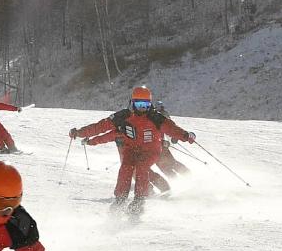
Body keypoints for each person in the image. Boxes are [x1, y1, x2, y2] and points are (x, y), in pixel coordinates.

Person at [69, 85, 197, 211]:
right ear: (133, 103)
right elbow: (100, 127)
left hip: (151, 150)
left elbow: (172, 128)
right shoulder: (123, 117)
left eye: (146, 105)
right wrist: (79, 133)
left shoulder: (155, 117)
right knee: (125, 168)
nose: (143, 109)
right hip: (131, 150)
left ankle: (139, 200)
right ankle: (120, 198)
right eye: (140, 105)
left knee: (142, 167)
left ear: (150, 104)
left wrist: (186, 136)